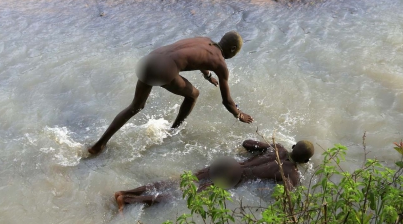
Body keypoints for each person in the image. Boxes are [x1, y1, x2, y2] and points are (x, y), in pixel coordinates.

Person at [88, 31, 254, 155]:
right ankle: (173, 131)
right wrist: (239, 114)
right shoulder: (221, 64)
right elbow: (227, 101)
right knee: (193, 94)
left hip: (148, 60)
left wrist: (207, 75)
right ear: (232, 49)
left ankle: (99, 145)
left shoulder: (204, 40)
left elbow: (196, 55)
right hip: (163, 69)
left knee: (135, 106)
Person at [114, 139, 314, 212]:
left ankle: (125, 192)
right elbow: (284, 197)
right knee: (182, 196)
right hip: (234, 178)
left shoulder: (276, 147)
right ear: (305, 162)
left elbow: (247, 143)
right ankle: (129, 201)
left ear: (294, 145)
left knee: (177, 181)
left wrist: (261, 149)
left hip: (228, 163)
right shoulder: (293, 174)